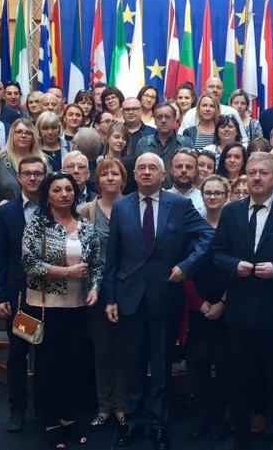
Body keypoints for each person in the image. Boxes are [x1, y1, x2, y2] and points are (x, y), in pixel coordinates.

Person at [104, 153, 214, 450]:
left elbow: (207, 236)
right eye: (141, 168)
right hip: (129, 298)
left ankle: (158, 424)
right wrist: (110, 298)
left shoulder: (179, 205)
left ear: (164, 175)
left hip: (165, 296)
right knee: (132, 363)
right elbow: (112, 256)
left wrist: (187, 266)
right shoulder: (121, 207)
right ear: (134, 175)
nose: (146, 172)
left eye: (153, 168)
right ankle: (132, 421)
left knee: (162, 365)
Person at [212, 152, 273, 450]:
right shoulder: (231, 212)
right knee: (240, 378)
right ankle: (241, 433)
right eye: (252, 172)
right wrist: (234, 265)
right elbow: (217, 253)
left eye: (263, 173)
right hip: (240, 313)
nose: (257, 178)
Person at [22, 171, 103, 449]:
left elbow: (96, 264)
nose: (64, 194)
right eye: (57, 190)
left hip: (77, 306)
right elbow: (29, 263)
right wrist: (66, 272)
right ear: (47, 195)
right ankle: (50, 419)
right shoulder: (38, 224)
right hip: (45, 307)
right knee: (48, 364)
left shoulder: (85, 226)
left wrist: (95, 288)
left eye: (68, 189)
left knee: (73, 362)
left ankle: (69, 416)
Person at [0, 156, 47, 433]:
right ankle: (17, 409)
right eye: (27, 173)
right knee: (18, 354)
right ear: (19, 178)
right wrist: (0, 296)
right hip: (20, 300)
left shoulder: (54, 209)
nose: (33, 178)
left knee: (47, 354)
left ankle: (44, 408)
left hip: (51, 297)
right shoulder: (7, 213)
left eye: (38, 173)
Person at [78, 159, 128, 430]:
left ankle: (121, 405)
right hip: (96, 291)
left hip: (127, 289)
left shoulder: (132, 206)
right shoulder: (86, 210)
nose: (110, 178)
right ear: (97, 181)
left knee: (124, 349)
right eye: (104, 174)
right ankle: (104, 406)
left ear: (123, 178)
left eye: (115, 173)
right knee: (102, 349)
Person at [184, 175, 231, 440]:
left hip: (227, 306)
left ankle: (221, 418)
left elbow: (238, 269)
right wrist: (199, 304)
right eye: (208, 193)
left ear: (227, 195)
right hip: (198, 306)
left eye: (217, 193)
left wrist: (223, 302)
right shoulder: (193, 227)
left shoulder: (235, 226)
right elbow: (185, 269)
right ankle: (202, 417)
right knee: (199, 366)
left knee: (225, 366)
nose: (212, 197)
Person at [0, 119, 47, 209]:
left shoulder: (45, 160)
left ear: (33, 137)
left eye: (28, 133)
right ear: (12, 135)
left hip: (41, 212)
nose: (23, 135)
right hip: (8, 213)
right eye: (19, 132)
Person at [135, 104, 194, 188]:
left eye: (167, 117)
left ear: (174, 119)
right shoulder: (143, 143)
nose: (163, 120)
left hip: (178, 191)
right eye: (159, 117)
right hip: (150, 190)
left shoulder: (186, 142)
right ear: (154, 121)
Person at [179, 76, 248, 143]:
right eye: (211, 87)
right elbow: (180, 140)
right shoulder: (191, 113)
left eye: (219, 87)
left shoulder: (231, 112)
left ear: (223, 91)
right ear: (204, 90)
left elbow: (243, 140)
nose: (215, 90)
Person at [166, 148, 206, 217]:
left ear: (196, 171)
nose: (184, 170)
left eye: (188, 167)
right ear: (171, 170)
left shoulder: (204, 198)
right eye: (179, 166)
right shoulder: (162, 198)